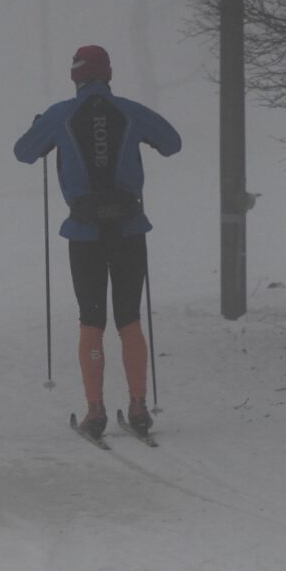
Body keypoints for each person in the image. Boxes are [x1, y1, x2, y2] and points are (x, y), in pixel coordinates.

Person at [14, 45, 181, 439]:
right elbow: (172, 142)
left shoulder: (61, 116)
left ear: (76, 76)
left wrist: (41, 129)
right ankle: (139, 405)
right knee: (129, 319)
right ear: (108, 75)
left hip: (85, 235)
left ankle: (95, 411)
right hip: (129, 230)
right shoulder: (129, 111)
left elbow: (24, 152)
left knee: (91, 322)